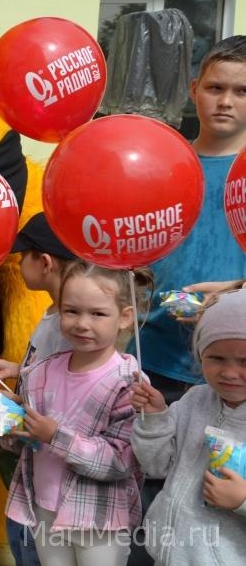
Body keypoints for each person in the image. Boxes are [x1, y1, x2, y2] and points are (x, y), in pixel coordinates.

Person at [130, 35, 246, 566]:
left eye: (242, 91)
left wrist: (233, 293)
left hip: (230, 373)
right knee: (148, 496)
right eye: (216, 87)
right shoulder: (159, 164)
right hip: (154, 360)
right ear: (194, 91)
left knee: (216, 514)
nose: (226, 101)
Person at [1, 262, 146, 566]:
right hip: (44, 507)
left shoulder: (128, 382)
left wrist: (56, 437)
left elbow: (120, 460)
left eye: (98, 313)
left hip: (98, 518)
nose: (82, 323)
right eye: (71, 311)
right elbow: (22, 446)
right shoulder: (40, 372)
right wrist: (9, 419)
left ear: (125, 317)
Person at [0, 213, 78, 566]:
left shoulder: (69, 327)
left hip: (44, 473)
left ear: (44, 262)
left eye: (23, 257)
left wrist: (10, 404)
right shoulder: (57, 314)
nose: (18, 265)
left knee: (29, 546)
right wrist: (20, 370)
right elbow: (52, 371)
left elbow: (59, 402)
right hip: (32, 465)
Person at [130, 290, 246, 565]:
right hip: (166, 554)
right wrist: (155, 417)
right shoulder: (194, 400)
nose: (229, 372)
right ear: (199, 355)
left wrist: (242, 500)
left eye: (245, 361)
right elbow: (156, 466)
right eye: (216, 358)